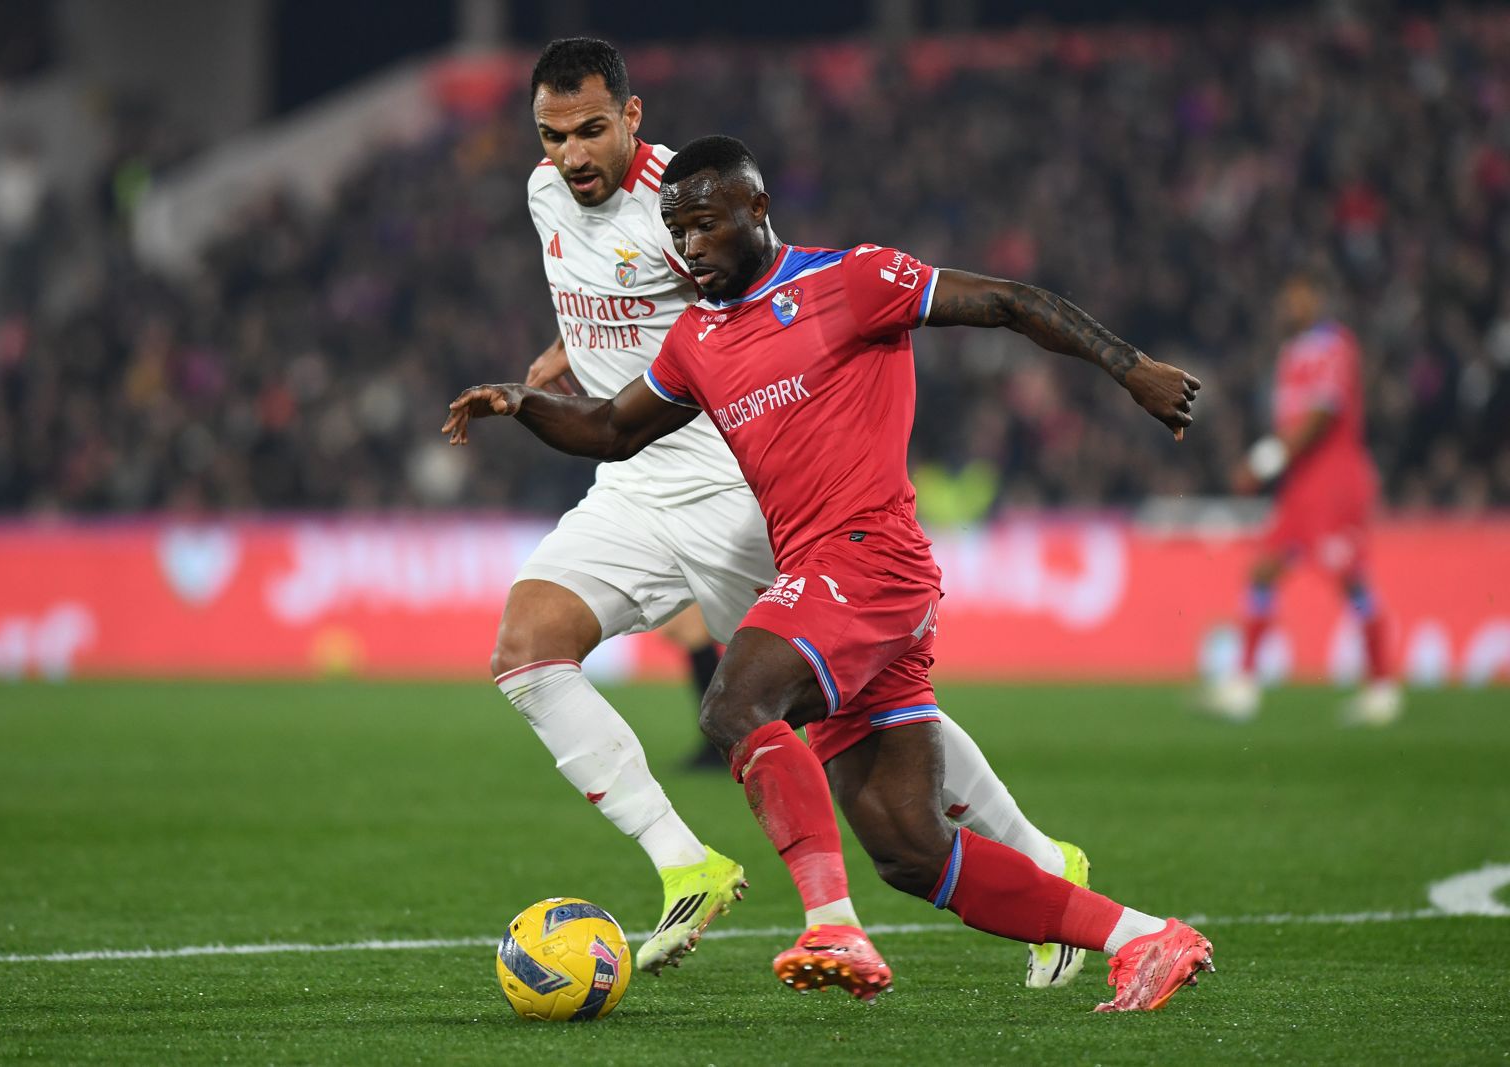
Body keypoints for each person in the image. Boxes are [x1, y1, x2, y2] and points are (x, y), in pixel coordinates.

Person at [446, 134, 1215, 1011]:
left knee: (736, 702)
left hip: (871, 560)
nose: (690, 248)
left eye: (704, 225)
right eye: (677, 231)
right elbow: (615, 430)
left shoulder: (849, 282)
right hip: (831, 579)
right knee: (910, 849)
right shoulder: (698, 338)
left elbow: (1007, 300)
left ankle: (831, 925)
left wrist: (1130, 369)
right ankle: (1145, 937)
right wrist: (521, 405)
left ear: (757, 210)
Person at [502, 39, 1093, 986]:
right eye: (550, 135)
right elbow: (603, 295)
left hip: (731, 486)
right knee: (525, 648)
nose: (570, 155)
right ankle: (684, 861)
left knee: (846, 709)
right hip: (630, 483)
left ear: (632, 116)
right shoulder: (543, 194)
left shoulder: (677, 204)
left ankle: (1034, 856)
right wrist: (564, 350)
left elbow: (760, 290)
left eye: (589, 131)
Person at [1204, 271, 1400, 726]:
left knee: (1351, 578)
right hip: (1300, 485)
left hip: (1334, 481)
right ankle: (1244, 685)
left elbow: (1322, 412)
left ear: (1317, 299)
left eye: (1298, 299)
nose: (1289, 308)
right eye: (1285, 300)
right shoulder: (1290, 351)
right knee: (1264, 570)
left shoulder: (1333, 345)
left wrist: (1269, 458)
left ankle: (1382, 686)